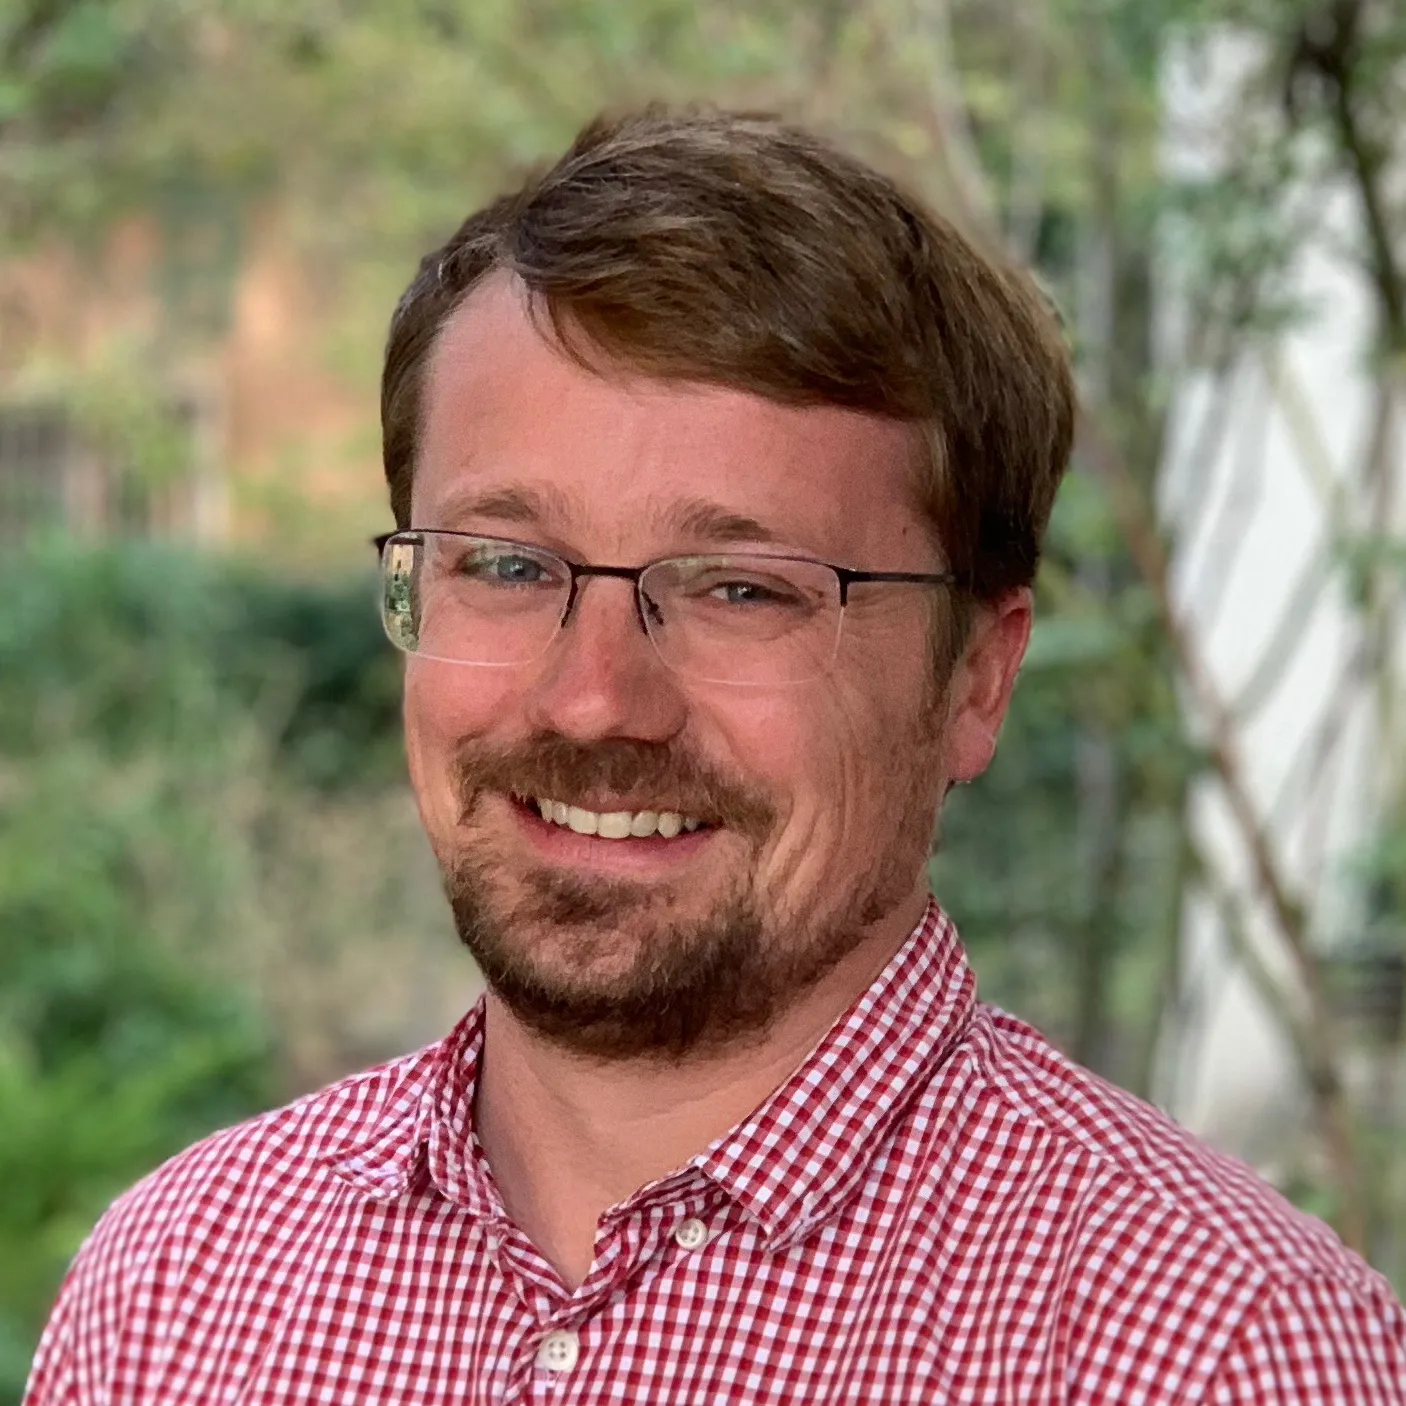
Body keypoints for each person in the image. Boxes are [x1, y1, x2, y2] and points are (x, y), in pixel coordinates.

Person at [24, 106, 1406, 1406]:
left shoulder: (1218, 1348)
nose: (594, 700)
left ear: (974, 677)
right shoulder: (177, 1293)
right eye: (506, 563)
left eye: (742, 588)